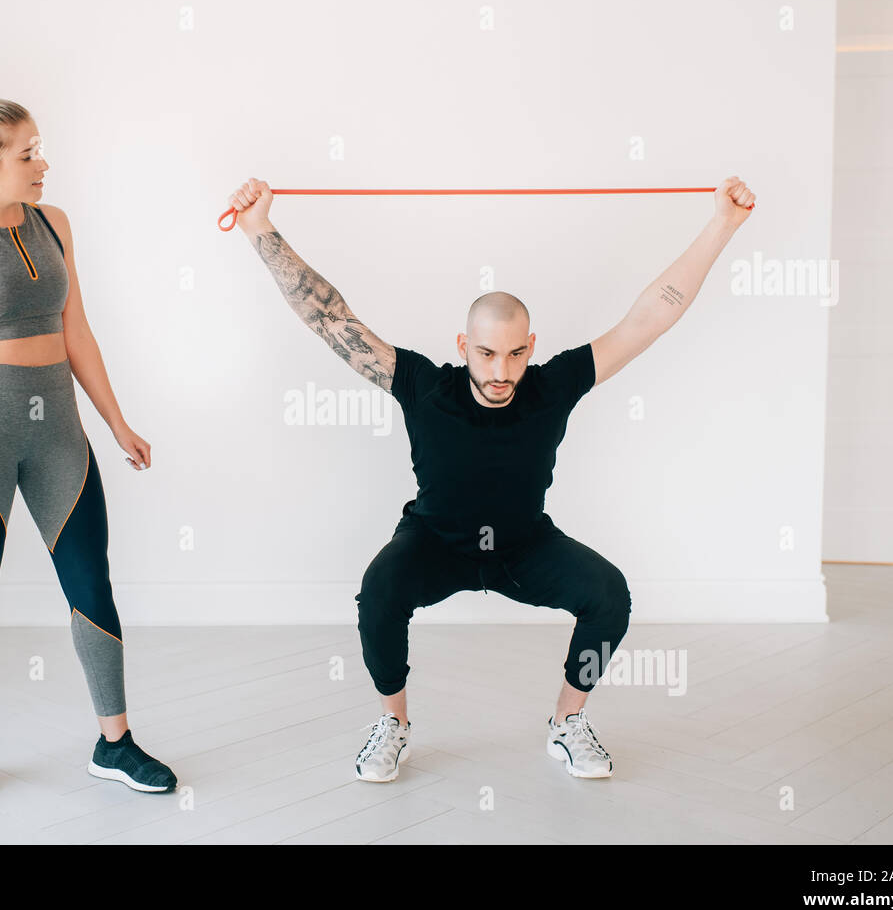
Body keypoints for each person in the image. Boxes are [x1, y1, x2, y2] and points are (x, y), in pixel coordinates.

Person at [226, 174, 756, 781]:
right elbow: (329, 318)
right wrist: (259, 228)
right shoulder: (424, 385)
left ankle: (566, 722)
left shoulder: (552, 385)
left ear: (530, 347)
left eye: (514, 354)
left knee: (609, 595)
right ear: (464, 345)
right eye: (485, 353)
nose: (501, 371)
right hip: (436, 544)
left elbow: (648, 319)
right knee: (378, 595)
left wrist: (722, 225)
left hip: (523, 547)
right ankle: (392, 724)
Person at [0, 80, 176, 806]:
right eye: (29, 153)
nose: (43, 163)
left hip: (59, 431)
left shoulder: (54, 222)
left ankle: (114, 740)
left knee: (92, 581)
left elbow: (76, 330)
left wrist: (117, 421)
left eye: (40, 150)